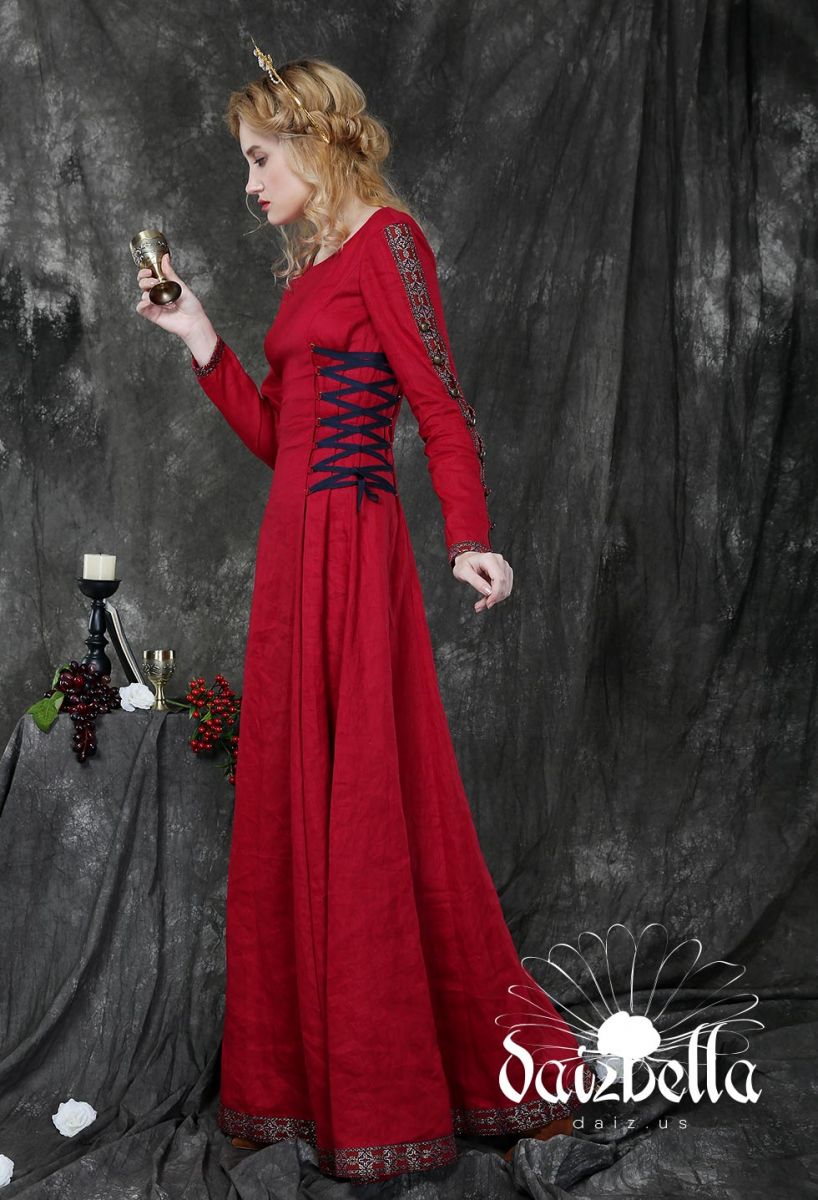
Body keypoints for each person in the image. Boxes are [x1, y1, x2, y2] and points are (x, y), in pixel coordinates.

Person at [135, 49, 595, 1185]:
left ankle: (456, 1080)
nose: (249, 183)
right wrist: (200, 335)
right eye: (245, 163)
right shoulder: (307, 277)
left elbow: (439, 403)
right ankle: (303, 1085)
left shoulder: (389, 244)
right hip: (291, 560)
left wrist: (469, 535)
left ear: (314, 141)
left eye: (260, 158)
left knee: (379, 808)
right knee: (295, 806)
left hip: (354, 550)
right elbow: (276, 438)